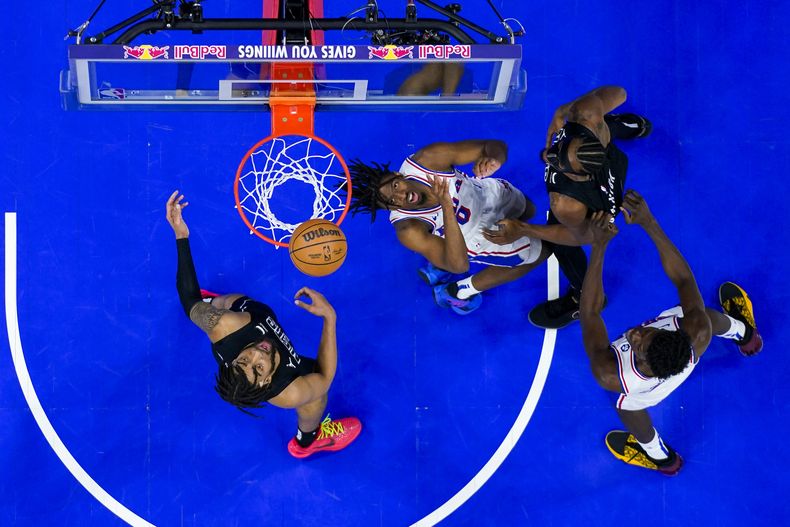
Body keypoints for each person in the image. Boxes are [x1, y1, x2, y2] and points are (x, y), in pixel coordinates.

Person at [165, 190, 361, 459]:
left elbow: (189, 301)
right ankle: (308, 440)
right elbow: (325, 379)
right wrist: (330, 318)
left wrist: (181, 234)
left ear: (233, 360)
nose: (257, 354)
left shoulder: (225, 327)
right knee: (315, 397)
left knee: (225, 304)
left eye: (244, 360)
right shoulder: (287, 391)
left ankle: (212, 302)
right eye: (258, 367)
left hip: (235, 315)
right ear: (267, 379)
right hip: (292, 372)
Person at [579, 191, 763, 475]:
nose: (635, 333)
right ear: (676, 335)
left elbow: (590, 312)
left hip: (645, 391)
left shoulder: (611, 374)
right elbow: (684, 278)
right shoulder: (694, 335)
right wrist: (648, 222)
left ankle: (662, 459)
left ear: (641, 360)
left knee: (628, 409)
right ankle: (747, 336)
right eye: (646, 333)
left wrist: (599, 246)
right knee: (707, 320)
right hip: (682, 365)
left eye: (638, 343)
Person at [483, 86, 652, 329]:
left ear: (578, 175)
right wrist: (562, 111)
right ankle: (629, 126)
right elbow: (620, 93)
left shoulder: (566, 204)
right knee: (601, 126)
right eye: (562, 148)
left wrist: (523, 229)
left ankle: (583, 295)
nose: (552, 154)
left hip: (599, 208)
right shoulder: (586, 114)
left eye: (559, 161)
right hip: (608, 157)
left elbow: (582, 235)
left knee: (559, 241)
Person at [346, 140, 549, 315]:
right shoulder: (409, 229)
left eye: (396, 186)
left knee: (529, 211)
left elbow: (493, 146)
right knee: (542, 251)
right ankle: (458, 291)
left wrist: (494, 159)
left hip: (488, 194)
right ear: (390, 209)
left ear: (397, 175)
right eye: (392, 201)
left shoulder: (427, 160)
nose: (401, 196)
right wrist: (446, 207)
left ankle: (438, 261)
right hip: (476, 237)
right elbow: (459, 265)